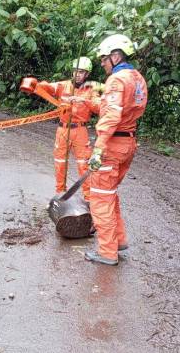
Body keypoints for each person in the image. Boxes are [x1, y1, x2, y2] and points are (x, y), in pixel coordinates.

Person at [83, 34, 148, 266]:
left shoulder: (116, 80)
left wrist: (99, 148)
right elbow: (123, 107)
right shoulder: (137, 78)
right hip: (128, 142)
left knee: (100, 197)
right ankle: (118, 241)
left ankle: (107, 252)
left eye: (103, 59)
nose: (101, 63)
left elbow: (111, 115)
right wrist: (90, 100)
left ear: (116, 55)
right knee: (110, 194)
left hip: (111, 145)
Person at [20, 57, 103, 200]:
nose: (77, 74)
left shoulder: (91, 90)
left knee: (84, 165)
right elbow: (47, 87)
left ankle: (89, 199)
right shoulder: (62, 85)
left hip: (80, 131)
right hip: (63, 130)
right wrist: (34, 84)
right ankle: (60, 195)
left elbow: (99, 107)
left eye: (81, 72)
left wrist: (84, 100)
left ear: (87, 74)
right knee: (60, 164)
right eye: (75, 71)